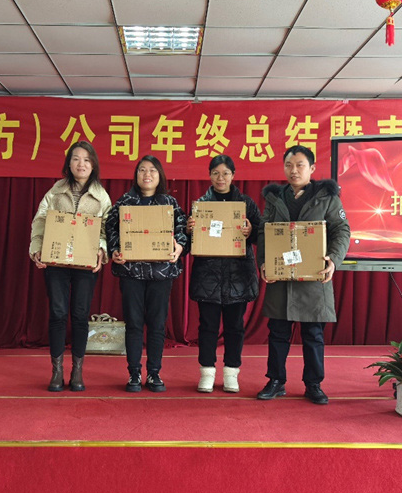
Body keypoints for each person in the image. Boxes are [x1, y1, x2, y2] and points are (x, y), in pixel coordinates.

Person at [256, 144, 351, 405]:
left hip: (314, 276)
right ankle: (276, 381)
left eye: (300, 165)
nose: (294, 170)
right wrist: (264, 262)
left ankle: (313, 384)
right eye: (289, 165)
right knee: (277, 333)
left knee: (313, 335)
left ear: (312, 168)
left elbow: (342, 230)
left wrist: (334, 260)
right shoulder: (275, 198)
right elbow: (264, 232)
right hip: (281, 278)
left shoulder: (326, 197)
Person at [29, 141, 112, 392]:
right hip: (57, 261)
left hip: (85, 264)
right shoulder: (55, 192)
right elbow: (40, 221)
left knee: (79, 314)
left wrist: (101, 250)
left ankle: (77, 371)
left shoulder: (101, 196)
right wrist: (37, 248)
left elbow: (107, 229)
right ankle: (56, 371)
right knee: (57, 313)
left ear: (93, 164)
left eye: (86, 159)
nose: (81, 164)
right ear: (69, 163)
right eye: (76, 159)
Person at [105, 155, 188, 393]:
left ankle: (154, 373)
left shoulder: (169, 203)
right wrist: (114, 250)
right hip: (131, 272)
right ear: (136, 175)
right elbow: (110, 228)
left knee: (157, 325)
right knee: (133, 324)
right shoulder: (125, 201)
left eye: (152, 170)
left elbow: (182, 230)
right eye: (142, 170)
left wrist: (179, 247)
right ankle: (133, 373)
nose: (147, 174)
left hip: (161, 273)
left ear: (159, 175)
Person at [185, 155, 261, 394]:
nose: (221, 178)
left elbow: (261, 234)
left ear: (233, 175)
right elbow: (188, 243)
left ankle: (231, 372)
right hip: (208, 276)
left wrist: (251, 231)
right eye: (216, 173)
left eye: (225, 173)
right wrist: (188, 230)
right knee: (207, 326)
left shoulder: (245, 203)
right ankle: (207, 372)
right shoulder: (200, 205)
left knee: (235, 327)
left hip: (238, 275)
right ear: (209, 175)